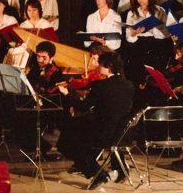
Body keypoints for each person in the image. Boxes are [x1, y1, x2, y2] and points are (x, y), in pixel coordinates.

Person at [57, 51, 134, 184]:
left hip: (102, 132)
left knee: (66, 143)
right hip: (122, 132)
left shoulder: (101, 85)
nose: (98, 67)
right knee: (74, 136)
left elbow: (83, 106)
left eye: (100, 65)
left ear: (108, 67)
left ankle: (97, 174)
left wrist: (66, 94)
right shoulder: (129, 85)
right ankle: (106, 171)